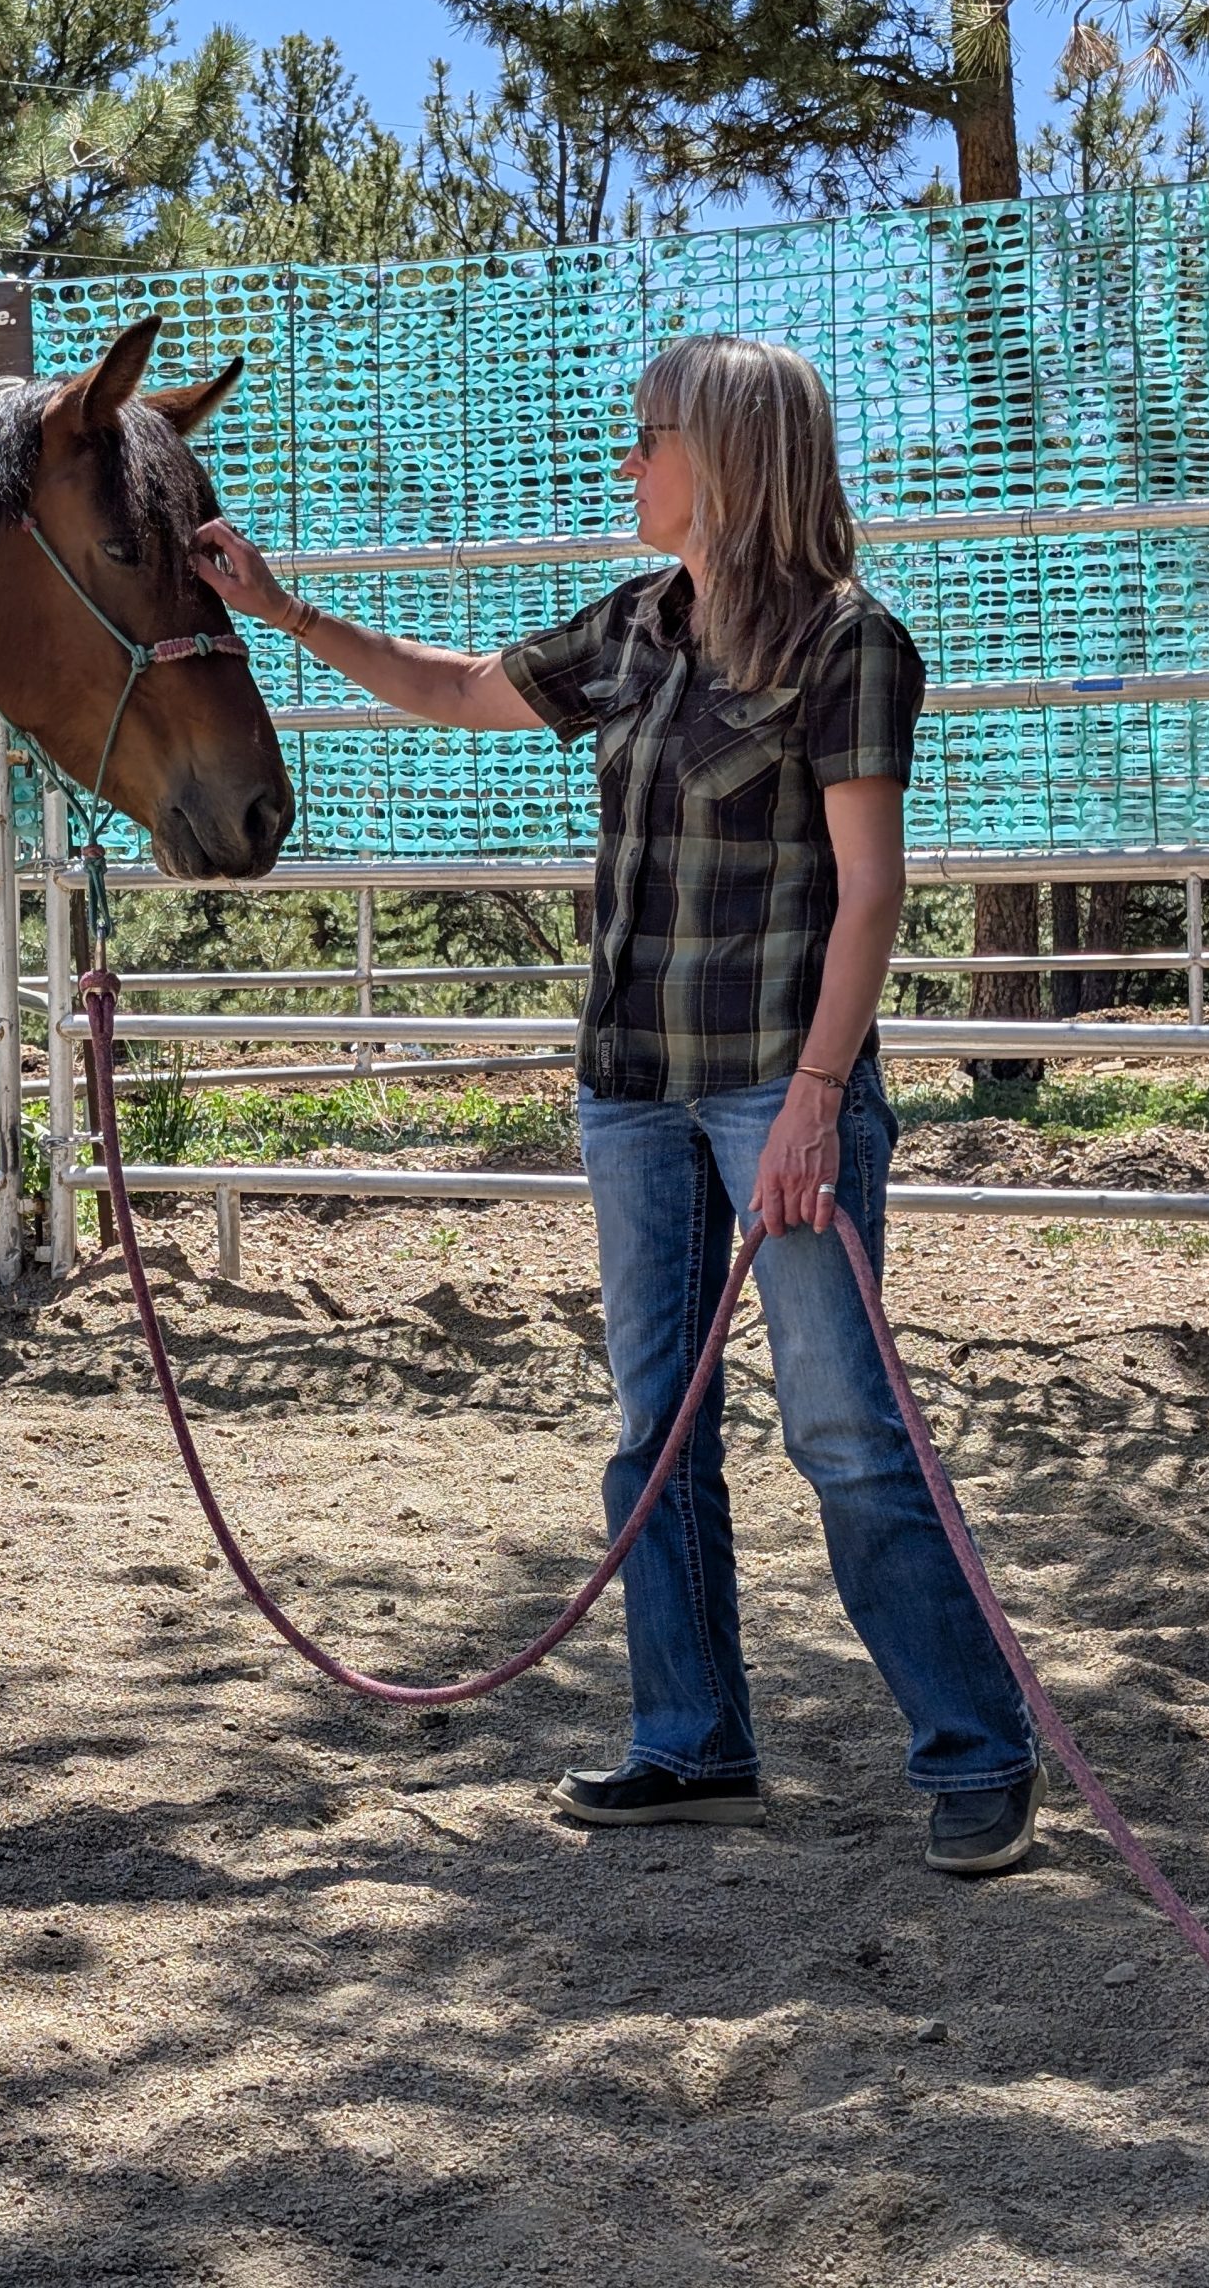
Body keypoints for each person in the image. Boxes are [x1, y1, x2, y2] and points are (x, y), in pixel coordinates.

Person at [193, 333, 1045, 1875]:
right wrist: (284, 609)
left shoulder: (850, 644)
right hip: (633, 1095)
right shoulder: (639, 626)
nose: (629, 461)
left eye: (651, 438)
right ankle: (692, 1744)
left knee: (845, 1431)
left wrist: (819, 1097)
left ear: (728, 457)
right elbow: (460, 691)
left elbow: (870, 893)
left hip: (778, 1091)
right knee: (656, 1430)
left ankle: (979, 1752)